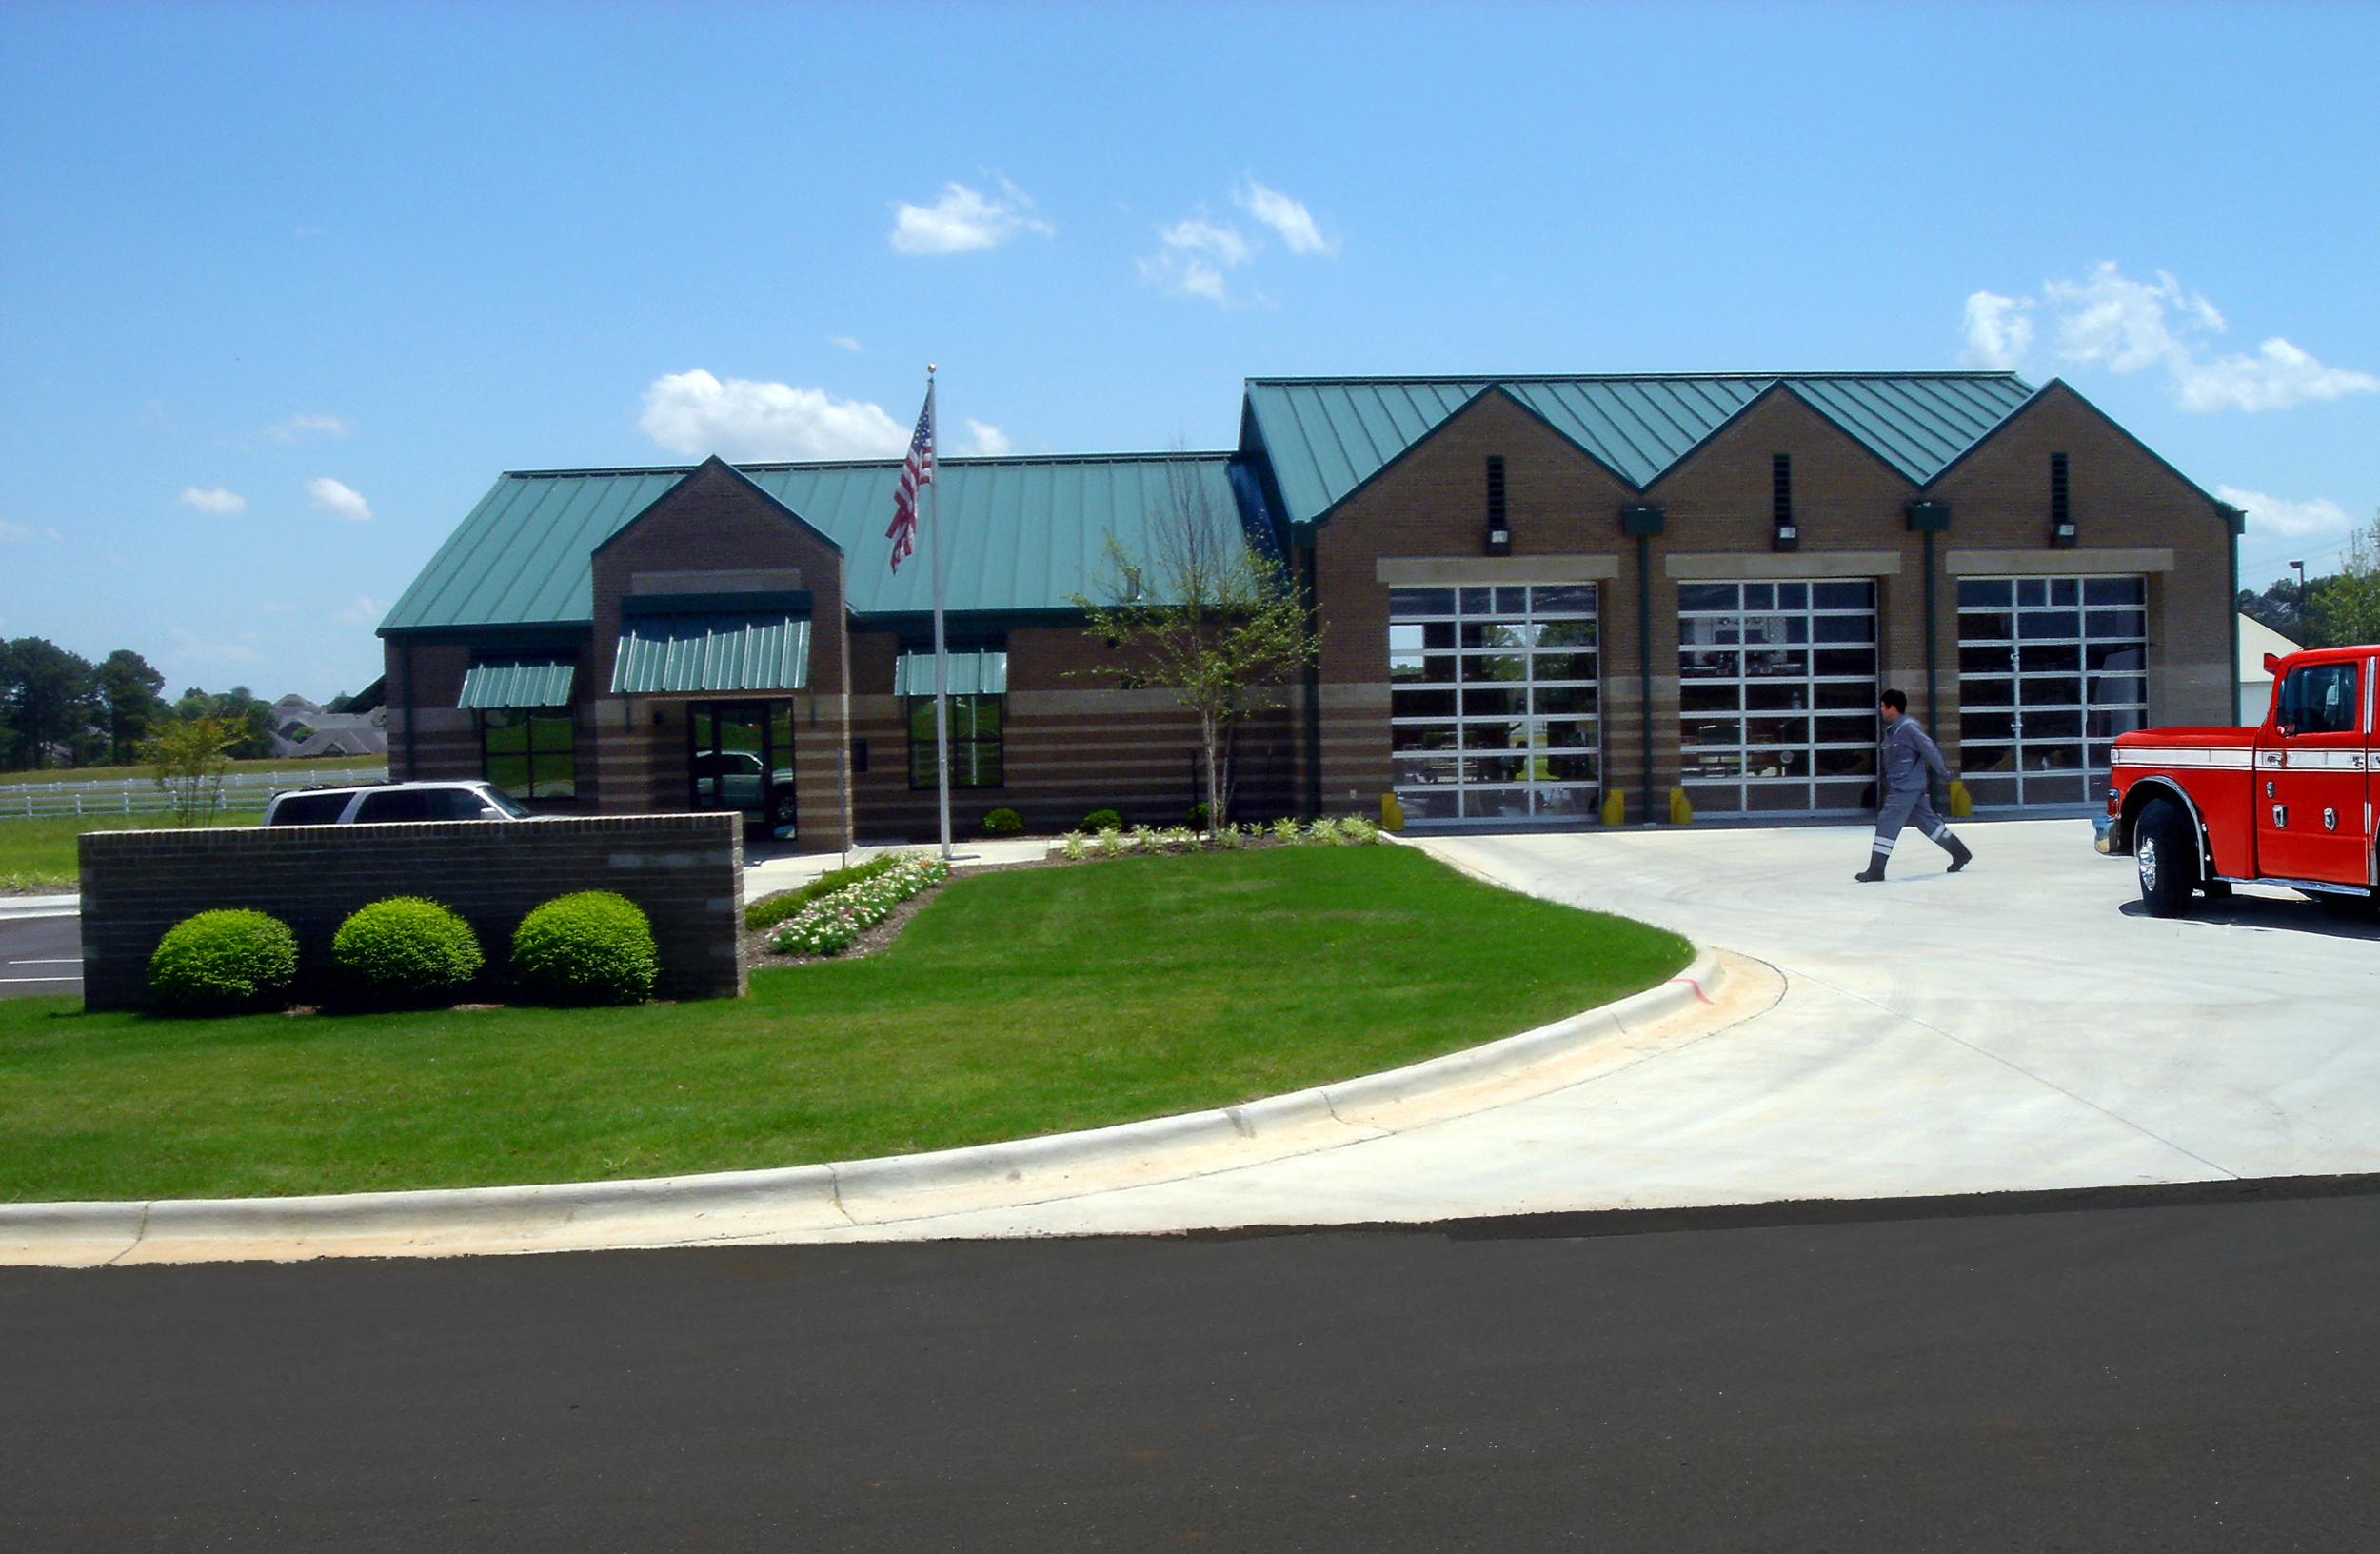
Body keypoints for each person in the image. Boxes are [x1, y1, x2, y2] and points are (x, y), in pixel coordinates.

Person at [1855, 689, 1973, 882]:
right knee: (1928, 823)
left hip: (1905, 787)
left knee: (1887, 823)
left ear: (1893, 707)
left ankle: (1876, 870)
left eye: (1884, 706)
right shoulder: (1895, 729)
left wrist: (1943, 773)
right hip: (1907, 785)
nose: (1882, 710)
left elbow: (1930, 750)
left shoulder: (1909, 727)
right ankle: (1960, 853)